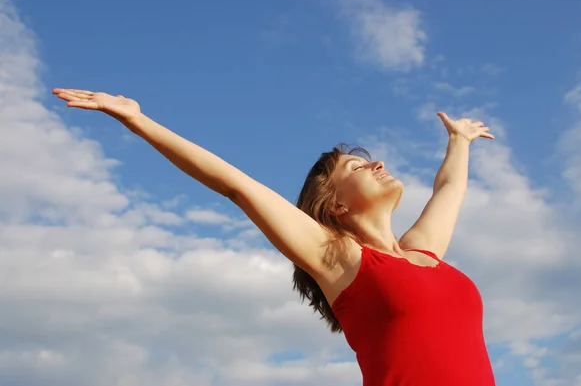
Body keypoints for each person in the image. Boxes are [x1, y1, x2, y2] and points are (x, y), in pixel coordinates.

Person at [53, 88, 496, 386]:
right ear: (336, 205)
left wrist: (459, 140)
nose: (377, 164)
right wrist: (137, 120)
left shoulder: (424, 253)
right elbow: (237, 185)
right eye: (358, 168)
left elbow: (449, 188)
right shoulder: (339, 258)